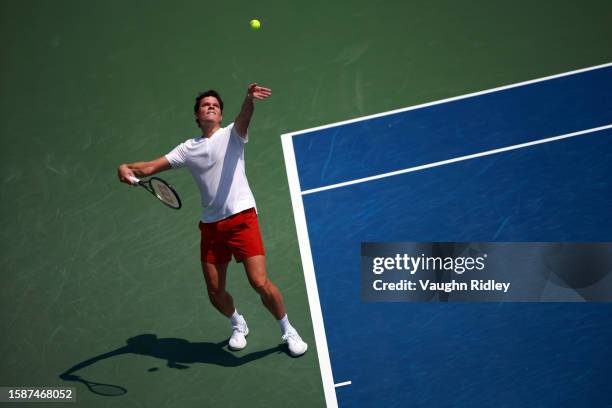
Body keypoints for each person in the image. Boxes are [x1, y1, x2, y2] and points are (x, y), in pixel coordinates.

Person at [117, 84, 307, 357]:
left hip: (242, 219)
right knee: (215, 291)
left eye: (216, 106)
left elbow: (244, 117)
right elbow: (147, 168)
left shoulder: (233, 135)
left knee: (260, 283)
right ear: (197, 115)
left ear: (220, 116)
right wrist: (124, 168)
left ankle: (288, 330)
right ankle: (238, 323)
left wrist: (249, 99)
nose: (211, 107)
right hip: (211, 227)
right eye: (206, 105)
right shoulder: (187, 149)